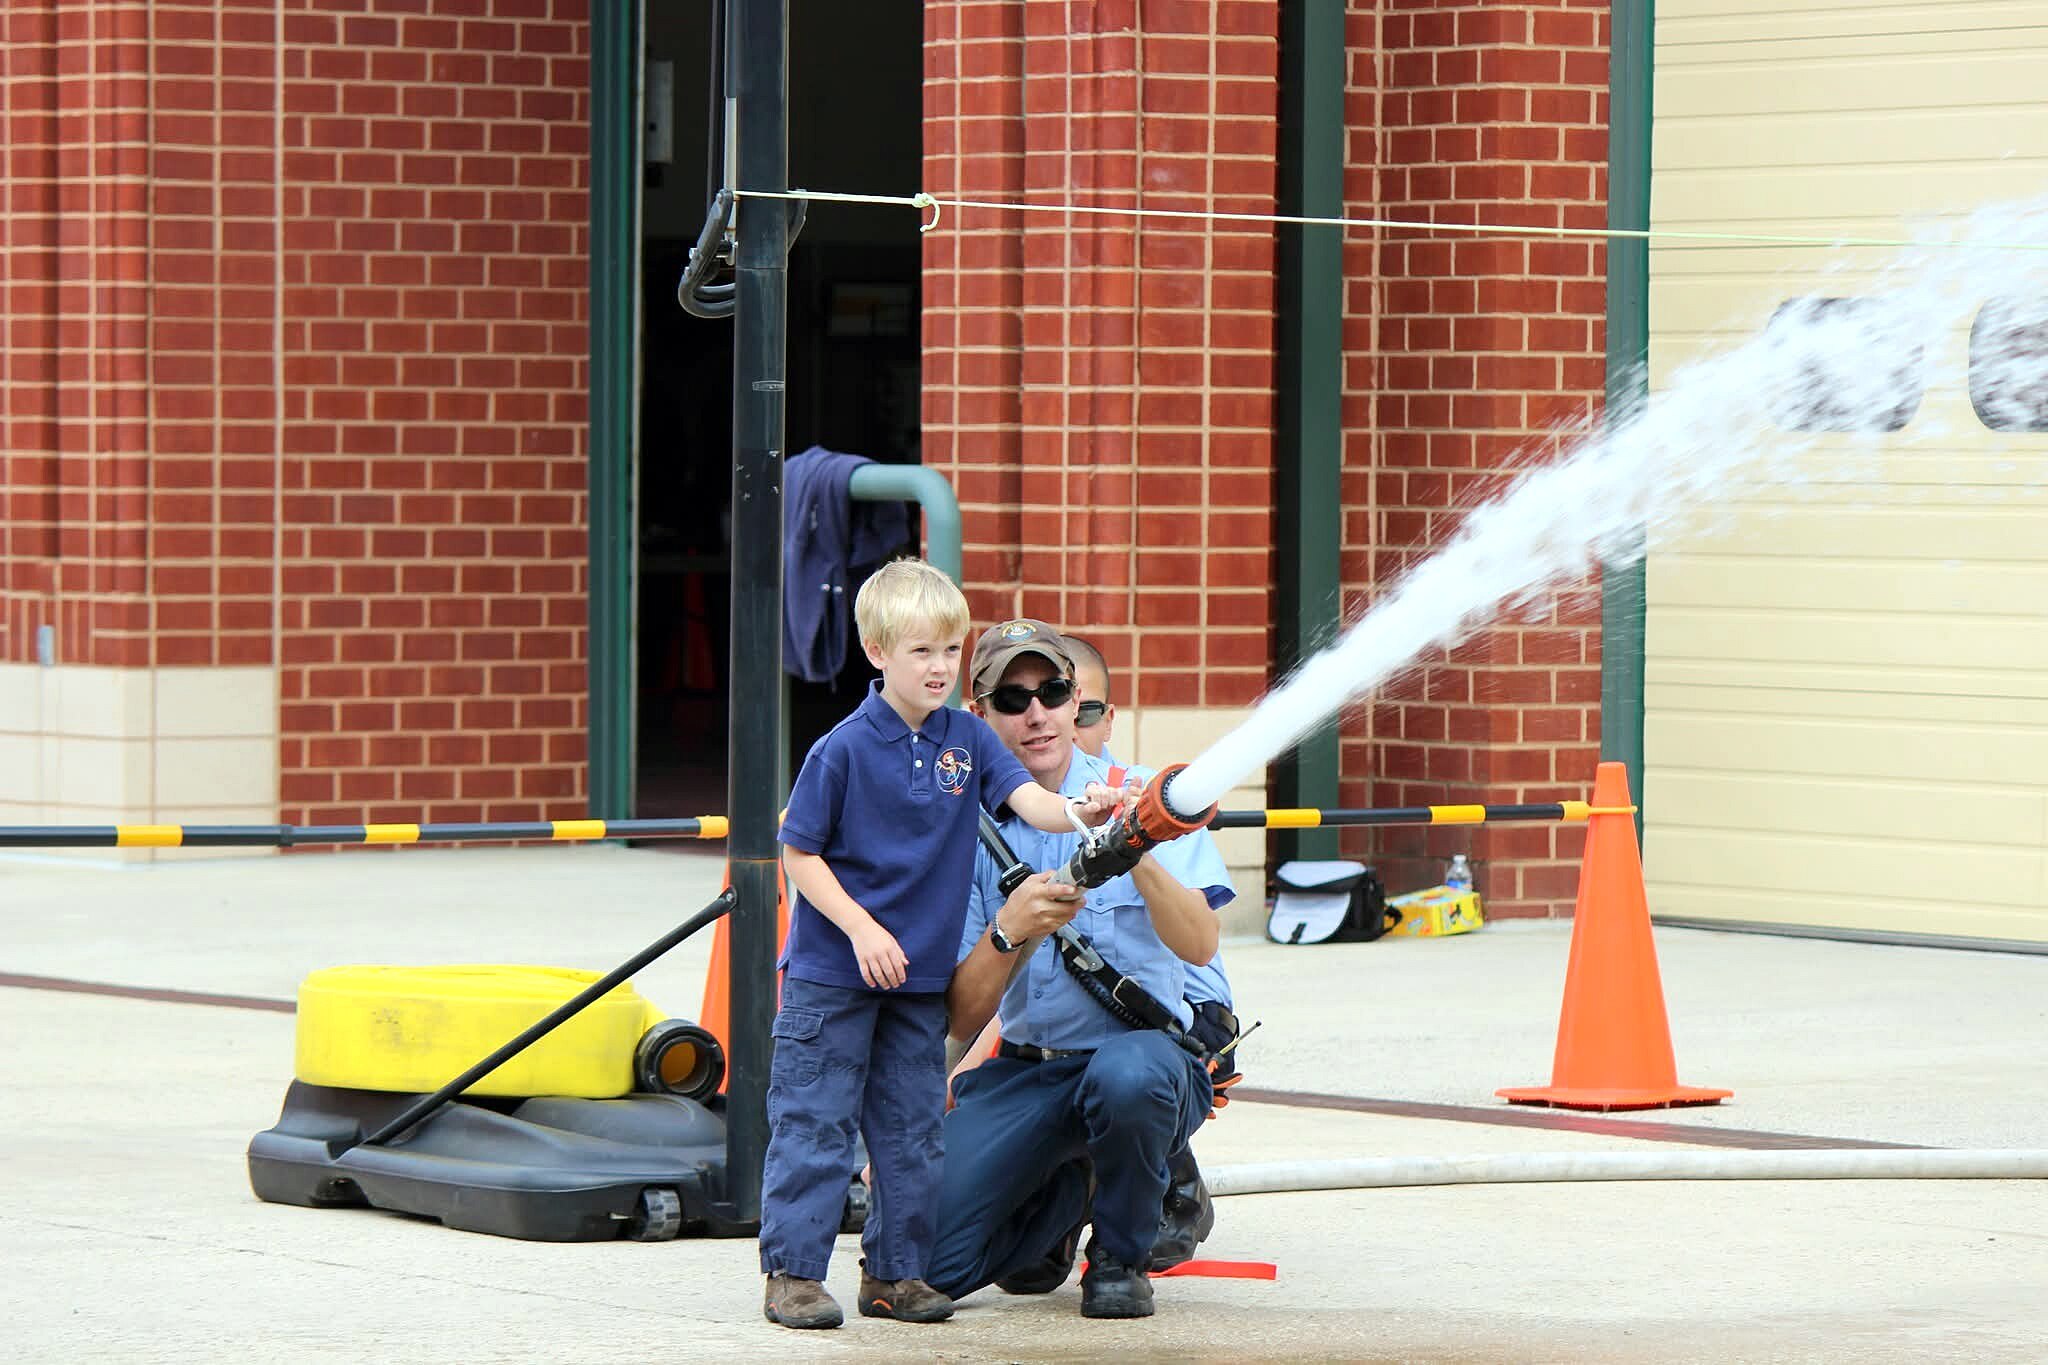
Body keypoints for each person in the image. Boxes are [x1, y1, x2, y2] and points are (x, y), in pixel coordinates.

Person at [762, 564, 1120, 1331]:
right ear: (876, 649)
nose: (938, 666)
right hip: (834, 979)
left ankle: (894, 1274)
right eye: (921, 648)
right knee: (816, 1124)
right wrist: (860, 927)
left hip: (918, 984)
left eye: (951, 649)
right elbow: (799, 852)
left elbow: (1031, 800)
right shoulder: (843, 747)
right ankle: (793, 1274)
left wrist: (1082, 809)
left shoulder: (967, 737)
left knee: (912, 1130)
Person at [927, 619, 1236, 1319]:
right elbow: (962, 1015)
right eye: (1012, 698)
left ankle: (1120, 1258)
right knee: (925, 1263)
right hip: (1032, 1068)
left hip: (1145, 1063)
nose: (1035, 712)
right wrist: (1012, 930)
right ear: (980, 716)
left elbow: (1200, 941)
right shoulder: (966, 828)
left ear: (1076, 704)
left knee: (1128, 1080)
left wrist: (1138, 851)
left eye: (1052, 690)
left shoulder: (1144, 797)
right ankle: (1072, 1188)